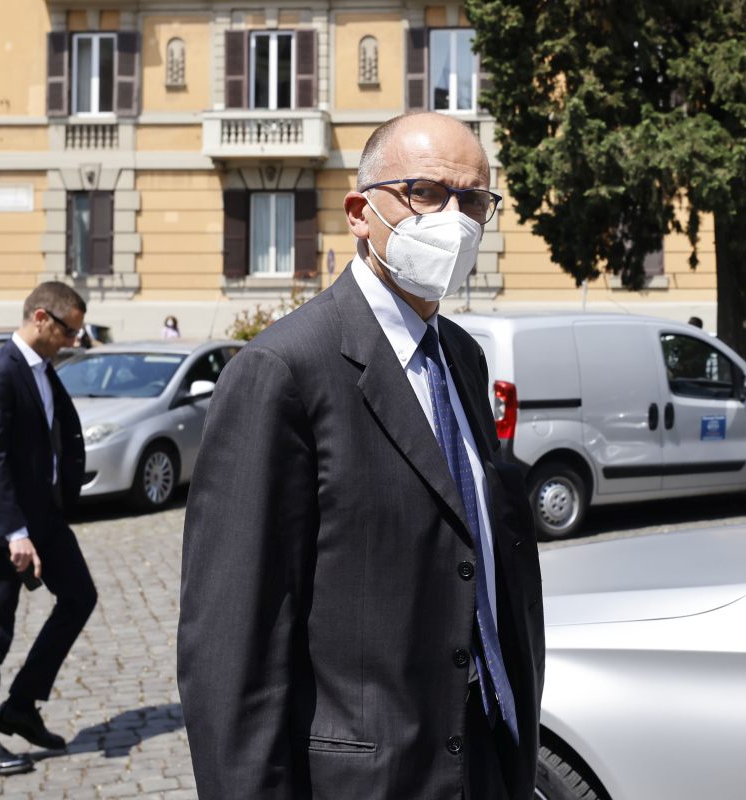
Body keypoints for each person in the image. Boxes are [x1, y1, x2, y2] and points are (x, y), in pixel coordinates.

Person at [178, 112, 545, 800]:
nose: (454, 220)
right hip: (367, 780)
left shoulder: (461, 356)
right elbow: (234, 643)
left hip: (484, 756)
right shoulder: (284, 370)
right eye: (426, 193)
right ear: (359, 213)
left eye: (474, 201)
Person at [0, 282, 98, 776]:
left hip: (45, 517)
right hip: (8, 527)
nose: (72, 341)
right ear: (41, 317)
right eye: (69, 331)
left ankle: (20, 705)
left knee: (79, 597)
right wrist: (15, 531)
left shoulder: (42, 370)